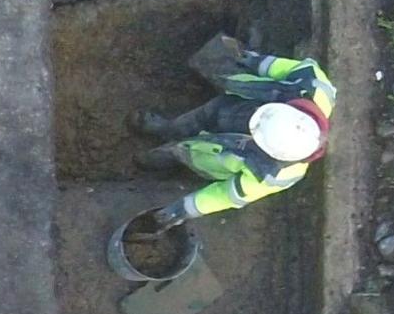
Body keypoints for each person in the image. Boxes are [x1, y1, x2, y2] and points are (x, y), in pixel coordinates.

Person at [136, 38, 335, 224]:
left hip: (212, 154)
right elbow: (281, 67)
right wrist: (254, 61)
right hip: (235, 103)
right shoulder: (314, 85)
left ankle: (163, 157)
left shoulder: (272, 174)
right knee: (196, 118)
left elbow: (225, 195)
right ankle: (167, 129)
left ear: (272, 152)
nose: (253, 119)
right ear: (292, 109)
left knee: (182, 151)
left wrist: (183, 209)